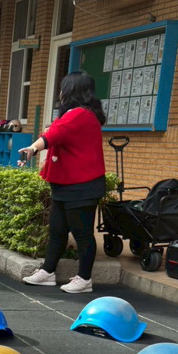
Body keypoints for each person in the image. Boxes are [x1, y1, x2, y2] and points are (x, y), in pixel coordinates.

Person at [19, 71, 106, 294]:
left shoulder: (80, 114)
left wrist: (32, 149)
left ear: (71, 91)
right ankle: (48, 272)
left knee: (82, 234)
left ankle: (84, 279)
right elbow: (56, 135)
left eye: (63, 88)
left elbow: (54, 135)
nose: (60, 93)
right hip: (66, 184)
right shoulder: (75, 114)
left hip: (82, 185)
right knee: (57, 230)